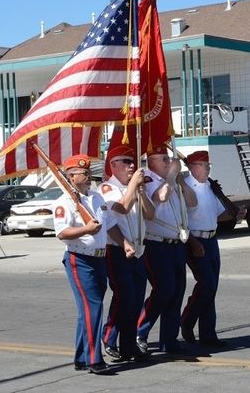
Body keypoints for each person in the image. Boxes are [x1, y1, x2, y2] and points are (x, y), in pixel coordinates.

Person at [53, 154, 135, 375]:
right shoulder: (64, 202)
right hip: (79, 258)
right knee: (93, 307)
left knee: (88, 310)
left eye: (89, 173)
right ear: (71, 177)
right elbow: (62, 232)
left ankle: (81, 357)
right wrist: (85, 230)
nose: (90, 177)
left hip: (100, 257)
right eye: (84, 173)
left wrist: (125, 243)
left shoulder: (96, 198)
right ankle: (93, 359)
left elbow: (109, 226)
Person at [136, 145, 197, 354]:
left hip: (176, 244)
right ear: (151, 162)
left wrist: (180, 181)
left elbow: (192, 202)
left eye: (168, 159)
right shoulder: (148, 179)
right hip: (156, 244)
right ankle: (140, 331)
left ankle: (169, 340)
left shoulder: (172, 181)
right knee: (164, 290)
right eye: (163, 159)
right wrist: (172, 176)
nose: (168, 162)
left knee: (177, 291)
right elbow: (160, 197)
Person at [98, 146, 154, 361]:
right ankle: (109, 337)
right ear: (113, 165)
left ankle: (129, 345)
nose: (132, 165)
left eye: (133, 161)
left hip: (139, 249)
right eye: (126, 161)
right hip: (117, 250)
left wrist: (141, 192)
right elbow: (120, 207)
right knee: (124, 297)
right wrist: (132, 186)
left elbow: (150, 214)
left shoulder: (135, 187)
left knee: (136, 299)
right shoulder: (106, 188)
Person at [180, 150, 230, 347]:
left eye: (208, 164)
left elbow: (218, 214)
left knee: (212, 288)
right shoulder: (184, 187)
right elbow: (181, 220)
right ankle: (187, 320)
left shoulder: (209, 186)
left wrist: (235, 214)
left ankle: (208, 335)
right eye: (203, 164)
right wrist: (193, 242)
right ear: (192, 168)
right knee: (207, 284)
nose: (208, 167)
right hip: (195, 240)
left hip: (211, 239)